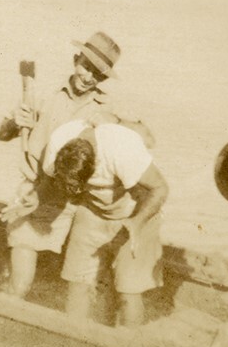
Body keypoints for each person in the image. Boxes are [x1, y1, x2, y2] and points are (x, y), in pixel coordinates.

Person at [0, 33, 152, 299]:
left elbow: (147, 138)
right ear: (75, 59)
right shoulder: (43, 95)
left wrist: (114, 122)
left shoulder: (108, 106)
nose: (89, 77)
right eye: (86, 66)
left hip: (81, 203)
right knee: (19, 285)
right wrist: (14, 123)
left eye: (98, 74)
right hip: (37, 196)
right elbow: (3, 134)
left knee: (85, 285)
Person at [41, 119, 169, 326]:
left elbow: (161, 188)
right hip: (92, 209)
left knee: (128, 291)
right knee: (78, 282)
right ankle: (73, 339)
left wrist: (136, 224)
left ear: (95, 166)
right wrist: (30, 201)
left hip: (138, 210)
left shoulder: (120, 149)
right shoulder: (58, 141)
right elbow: (47, 185)